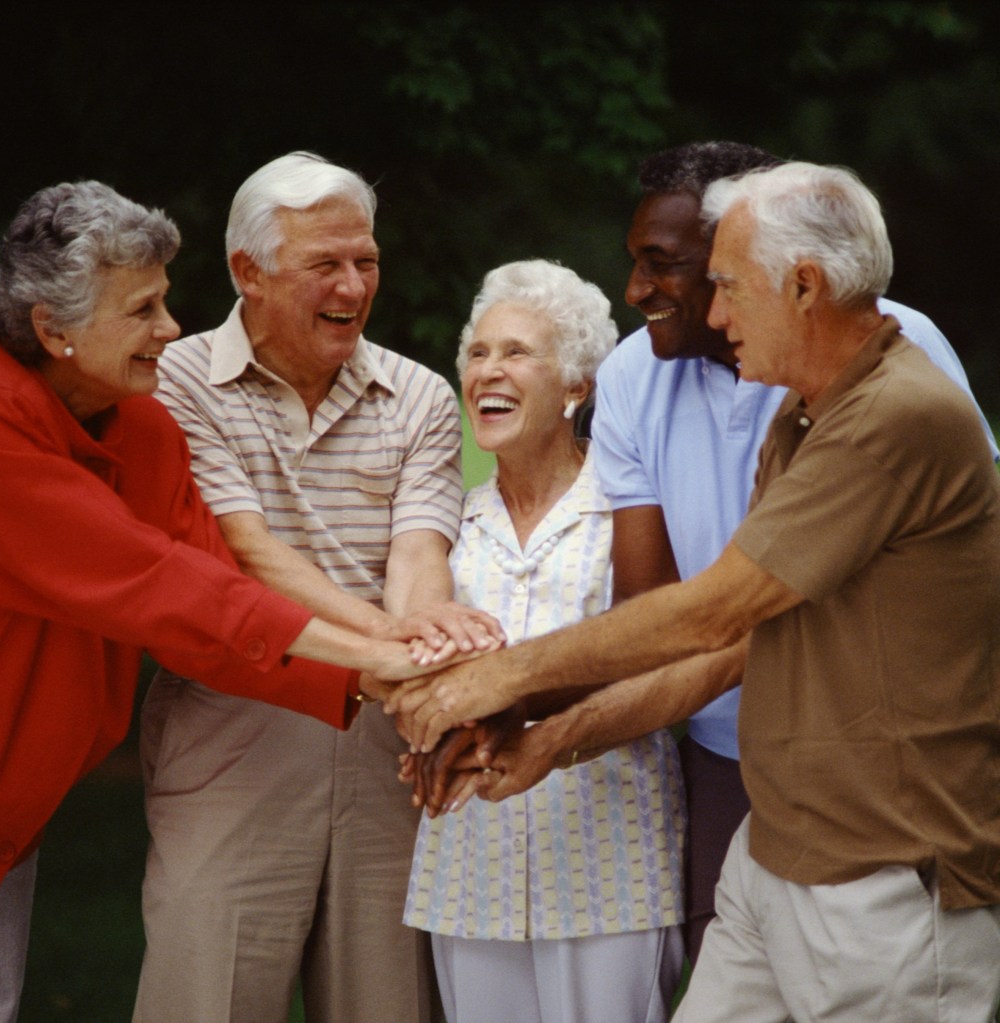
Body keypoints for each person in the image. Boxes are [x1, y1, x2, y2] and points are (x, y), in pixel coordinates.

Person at [387, 161, 1000, 1021]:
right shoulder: (802, 415)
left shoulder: (896, 415)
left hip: (886, 872)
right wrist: (551, 736)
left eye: (727, 286)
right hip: (776, 852)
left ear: (803, 285)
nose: (714, 314)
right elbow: (732, 649)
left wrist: (499, 677)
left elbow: (718, 607)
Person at [0, 180, 438, 1023]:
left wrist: (373, 680)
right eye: (144, 309)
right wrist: (380, 653)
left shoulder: (140, 425)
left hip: (1, 814)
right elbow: (155, 583)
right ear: (55, 331)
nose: (171, 328)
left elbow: (211, 612)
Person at [133, 152, 500, 1023]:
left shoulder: (415, 394)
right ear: (247, 272)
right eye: (324, 264)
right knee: (205, 998)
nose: (353, 284)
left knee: (389, 1004)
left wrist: (418, 637)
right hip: (234, 737)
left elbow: (419, 556)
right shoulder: (176, 380)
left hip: (386, 748)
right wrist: (396, 650)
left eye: (365, 260)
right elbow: (248, 551)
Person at [403, 259, 685, 1023]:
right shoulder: (447, 521)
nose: (489, 370)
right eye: (479, 352)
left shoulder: (629, 511)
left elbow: (661, 657)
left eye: (518, 352)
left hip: (610, 864)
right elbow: (410, 655)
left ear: (576, 387)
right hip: (471, 865)